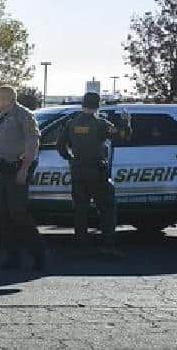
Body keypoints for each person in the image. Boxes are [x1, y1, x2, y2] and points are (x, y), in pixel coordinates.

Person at [0, 86, 46, 271]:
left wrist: (24, 169)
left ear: (7, 98)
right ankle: (12, 257)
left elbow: (33, 142)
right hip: (2, 171)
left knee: (18, 214)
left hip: (16, 170)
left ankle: (38, 255)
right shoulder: (4, 115)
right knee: (5, 215)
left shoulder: (24, 115)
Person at [55, 92, 131, 258]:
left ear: (83, 104)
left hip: (78, 171)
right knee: (107, 208)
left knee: (80, 210)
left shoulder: (72, 123)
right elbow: (122, 136)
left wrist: (72, 159)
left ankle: (82, 246)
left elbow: (60, 146)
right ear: (98, 105)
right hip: (97, 172)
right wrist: (126, 122)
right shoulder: (101, 124)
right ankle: (107, 245)